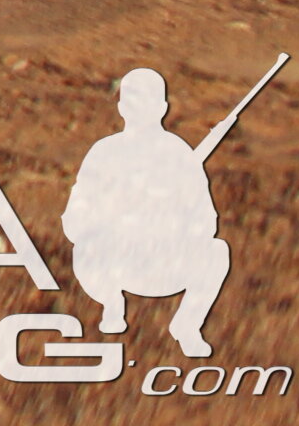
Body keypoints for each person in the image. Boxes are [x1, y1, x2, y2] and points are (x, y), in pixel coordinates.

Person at [66, 64, 240, 358]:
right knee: (85, 248)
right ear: (121, 106)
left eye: (146, 101)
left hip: (166, 264)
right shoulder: (103, 153)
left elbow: (206, 221)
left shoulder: (179, 154)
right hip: (116, 263)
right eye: (133, 100)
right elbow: (75, 220)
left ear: (162, 107)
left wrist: (170, 219)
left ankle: (187, 324)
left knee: (216, 252)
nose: (139, 109)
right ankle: (111, 304)